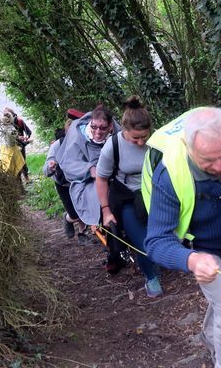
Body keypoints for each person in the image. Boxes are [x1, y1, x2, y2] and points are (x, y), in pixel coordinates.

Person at [143, 107, 221, 368]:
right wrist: (191, 260)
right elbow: (156, 241)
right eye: (208, 160)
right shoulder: (171, 173)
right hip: (207, 252)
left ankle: (209, 334)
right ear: (189, 148)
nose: (219, 167)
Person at [95, 96, 163, 297]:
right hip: (127, 197)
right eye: (135, 138)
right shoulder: (113, 146)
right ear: (125, 130)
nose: (141, 142)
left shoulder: (159, 140)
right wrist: (106, 210)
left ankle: (164, 258)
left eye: (144, 136)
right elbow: (101, 179)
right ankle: (151, 277)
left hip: (155, 193)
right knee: (141, 240)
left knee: (161, 233)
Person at [57, 104, 117, 233]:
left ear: (110, 126)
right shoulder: (77, 135)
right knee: (84, 208)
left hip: (110, 174)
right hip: (84, 179)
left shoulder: (117, 132)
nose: (97, 132)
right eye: (94, 127)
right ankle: (72, 220)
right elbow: (69, 163)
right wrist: (90, 169)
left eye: (102, 128)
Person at [43, 118, 88, 244]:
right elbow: (45, 170)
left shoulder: (86, 143)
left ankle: (82, 234)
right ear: (67, 132)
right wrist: (51, 166)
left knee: (84, 209)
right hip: (63, 183)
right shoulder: (57, 145)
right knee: (74, 214)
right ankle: (68, 219)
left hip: (81, 182)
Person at [4, 107, 32, 183]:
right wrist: (26, 140)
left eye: (8, 115)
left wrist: (26, 138)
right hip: (13, 147)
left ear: (13, 115)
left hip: (20, 145)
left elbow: (29, 132)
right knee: (16, 165)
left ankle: (26, 178)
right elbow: (14, 135)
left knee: (23, 163)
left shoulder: (19, 121)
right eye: (5, 116)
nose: (6, 117)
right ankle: (19, 183)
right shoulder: (7, 126)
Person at [0, 112, 25, 179]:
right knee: (16, 168)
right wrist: (23, 138)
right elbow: (16, 136)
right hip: (12, 150)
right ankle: (18, 185)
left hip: (4, 149)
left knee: (6, 168)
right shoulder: (11, 128)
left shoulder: (2, 127)